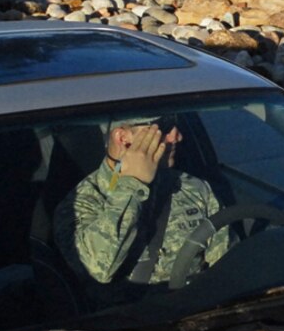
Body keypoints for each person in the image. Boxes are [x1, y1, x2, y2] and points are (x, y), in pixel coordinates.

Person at [62, 116, 228, 287]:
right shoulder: (81, 202)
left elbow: (227, 268)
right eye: (164, 127)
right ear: (123, 138)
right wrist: (133, 185)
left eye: (176, 125)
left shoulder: (194, 188)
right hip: (132, 312)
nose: (177, 137)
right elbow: (99, 270)